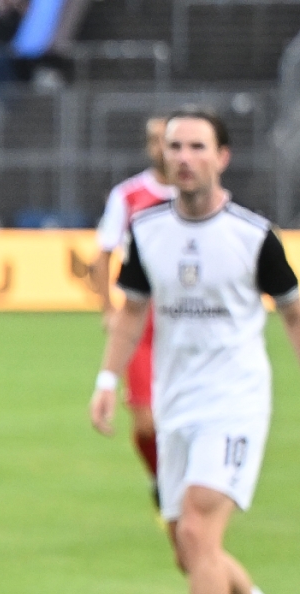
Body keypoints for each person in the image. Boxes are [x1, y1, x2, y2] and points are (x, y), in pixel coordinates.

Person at [89, 109, 300, 594]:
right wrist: (107, 379)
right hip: (175, 401)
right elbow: (131, 311)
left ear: (221, 157)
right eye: (175, 146)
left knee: (199, 531)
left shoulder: (253, 236)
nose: (184, 157)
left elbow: (295, 315)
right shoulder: (148, 231)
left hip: (234, 401)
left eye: (197, 147)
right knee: (190, 551)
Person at [95, 117, 176, 504]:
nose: (163, 148)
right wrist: (107, 308)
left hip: (186, 319)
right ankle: (164, 483)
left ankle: (182, 489)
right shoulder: (128, 195)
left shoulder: (198, 195)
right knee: (146, 423)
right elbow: (103, 253)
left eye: (169, 140)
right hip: (142, 319)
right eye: (156, 140)